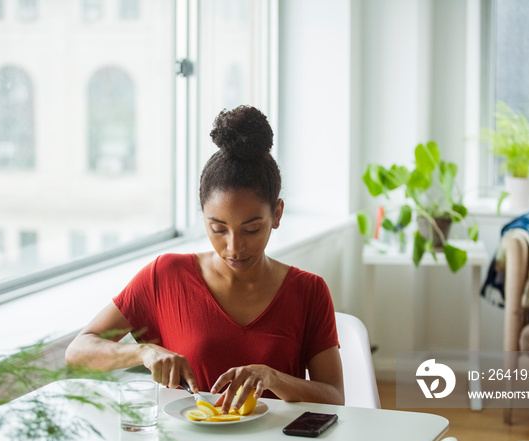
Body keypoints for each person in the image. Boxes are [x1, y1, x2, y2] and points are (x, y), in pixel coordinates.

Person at [65, 105, 345, 412]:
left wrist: (272, 378)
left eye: (251, 229)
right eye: (218, 229)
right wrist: (143, 352)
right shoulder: (166, 275)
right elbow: (78, 352)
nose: (234, 247)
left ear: (277, 214)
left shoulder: (309, 291)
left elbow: (334, 397)